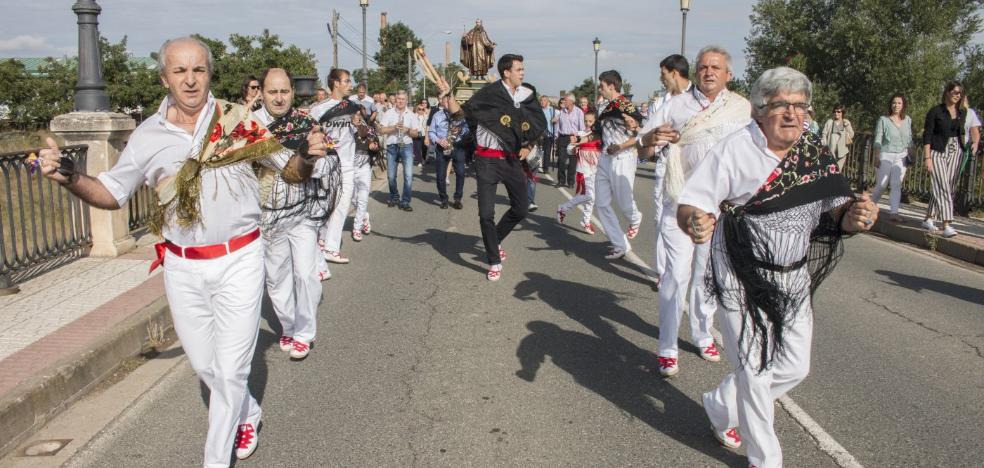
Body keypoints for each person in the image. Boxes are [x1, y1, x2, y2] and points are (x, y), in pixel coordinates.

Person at [37, 37, 328, 467]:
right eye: (180, 71)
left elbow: (289, 171)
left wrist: (306, 156)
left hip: (241, 258)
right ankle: (248, 412)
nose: (190, 80)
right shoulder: (147, 136)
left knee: (230, 371)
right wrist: (69, 178)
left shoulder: (237, 121)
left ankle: (215, 458)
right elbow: (111, 193)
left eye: (199, 70)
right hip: (182, 266)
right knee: (207, 367)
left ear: (210, 74)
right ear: (164, 77)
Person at [681, 66, 877, 468]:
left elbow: (835, 208)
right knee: (753, 370)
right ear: (758, 111)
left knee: (794, 367)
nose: (791, 113)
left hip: (792, 273)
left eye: (799, 105)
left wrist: (853, 217)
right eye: (780, 105)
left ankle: (721, 405)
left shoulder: (811, 149)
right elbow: (692, 202)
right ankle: (765, 458)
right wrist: (695, 222)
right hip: (737, 271)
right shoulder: (735, 149)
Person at [640, 45, 751, 377]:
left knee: (707, 276)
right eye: (703, 66)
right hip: (681, 201)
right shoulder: (675, 105)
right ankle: (667, 347)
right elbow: (644, 147)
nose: (708, 72)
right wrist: (650, 137)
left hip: (721, 207)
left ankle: (703, 335)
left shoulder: (742, 109)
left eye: (716, 67)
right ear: (696, 71)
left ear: (728, 74)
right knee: (675, 276)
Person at [254, 67, 340, 360]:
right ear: (262, 93)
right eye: (272, 92)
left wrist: (314, 163)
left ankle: (304, 333)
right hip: (267, 216)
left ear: (292, 92)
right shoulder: (250, 128)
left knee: (305, 274)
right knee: (277, 280)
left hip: (302, 212)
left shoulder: (307, 122)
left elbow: (329, 158)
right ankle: (289, 327)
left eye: (284, 91)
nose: (279, 98)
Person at [442, 53, 547, 281]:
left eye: (522, 68)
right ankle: (493, 260)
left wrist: (528, 146)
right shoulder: (488, 94)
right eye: (519, 69)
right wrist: (448, 96)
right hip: (487, 160)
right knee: (485, 214)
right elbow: (460, 114)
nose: (522, 72)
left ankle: (494, 239)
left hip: (512, 161)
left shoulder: (527, 95)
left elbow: (538, 125)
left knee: (521, 209)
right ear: (506, 72)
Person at [639, 54, 692, 289]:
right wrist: (646, 144)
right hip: (667, 169)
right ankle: (664, 272)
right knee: (664, 221)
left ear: (674, 72)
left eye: (663, 74)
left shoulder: (698, 99)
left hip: (696, 173)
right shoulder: (662, 103)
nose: (661, 79)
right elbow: (645, 139)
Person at [309, 68, 364, 266]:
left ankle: (331, 248)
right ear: (335, 83)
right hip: (327, 164)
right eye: (347, 81)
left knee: (342, 205)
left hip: (348, 163)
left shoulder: (352, 106)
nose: (350, 84)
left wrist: (358, 124)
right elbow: (310, 133)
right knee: (324, 206)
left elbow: (364, 133)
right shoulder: (319, 108)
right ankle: (319, 241)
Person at [592, 69, 644, 260]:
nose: (600, 89)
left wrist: (621, 146)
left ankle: (635, 218)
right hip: (605, 158)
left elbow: (641, 132)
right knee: (602, 203)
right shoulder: (604, 106)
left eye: (602, 86)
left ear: (611, 86)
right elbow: (599, 132)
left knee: (623, 202)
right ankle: (620, 244)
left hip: (623, 156)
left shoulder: (625, 105)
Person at [921, 81, 968, 238]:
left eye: (960, 93)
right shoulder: (936, 111)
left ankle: (929, 217)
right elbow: (927, 135)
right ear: (947, 92)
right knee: (943, 185)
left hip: (956, 151)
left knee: (949, 186)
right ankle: (947, 223)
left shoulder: (962, 113)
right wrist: (927, 157)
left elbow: (972, 128)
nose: (957, 95)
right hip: (937, 151)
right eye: (955, 92)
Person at [871, 93, 913, 222]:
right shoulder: (883, 120)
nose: (896, 105)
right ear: (890, 104)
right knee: (882, 184)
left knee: (896, 184)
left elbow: (910, 139)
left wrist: (911, 154)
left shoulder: (908, 120)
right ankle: (870, 206)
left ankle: (894, 213)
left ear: (903, 105)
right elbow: (878, 138)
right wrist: (877, 156)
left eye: (899, 103)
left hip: (901, 155)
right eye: (894, 103)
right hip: (886, 154)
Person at [556, 111, 600, 234]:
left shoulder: (597, 134)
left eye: (590, 121)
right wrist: (573, 148)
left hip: (596, 169)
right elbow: (569, 149)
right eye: (585, 120)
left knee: (591, 197)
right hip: (584, 169)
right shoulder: (580, 134)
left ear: (595, 121)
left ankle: (586, 221)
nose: (587, 123)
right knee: (590, 196)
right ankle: (564, 208)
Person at [378, 90, 419, 211]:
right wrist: (394, 128)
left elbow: (416, 134)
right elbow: (381, 131)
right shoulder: (389, 113)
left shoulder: (411, 115)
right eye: (398, 99)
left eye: (403, 99)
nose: (400, 101)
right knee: (391, 176)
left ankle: (405, 201)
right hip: (392, 146)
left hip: (406, 145)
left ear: (406, 100)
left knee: (408, 175)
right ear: (395, 100)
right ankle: (394, 196)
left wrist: (407, 130)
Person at [429, 94, 470, 209]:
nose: (447, 104)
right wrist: (438, 140)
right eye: (444, 101)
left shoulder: (461, 115)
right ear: (441, 102)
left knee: (461, 173)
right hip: (442, 148)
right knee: (440, 176)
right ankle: (443, 199)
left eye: (449, 101)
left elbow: (467, 130)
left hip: (458, 147)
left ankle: (458, 198)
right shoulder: (437, 115)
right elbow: (431, 132)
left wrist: (460, 131)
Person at [351, 105, 379, 241]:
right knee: (351, 198)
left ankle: (357, 228)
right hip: (349, 169)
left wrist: (373, 146)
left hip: (364, 168)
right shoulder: (345, 130)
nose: (356, 117)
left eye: (358, 115)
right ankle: (364, 216)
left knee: (362, 198)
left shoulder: (368, 130)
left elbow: (376, 144)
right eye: (354, 115)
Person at [555, 94, 585, 187]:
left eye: (566, 100)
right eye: (563, 100)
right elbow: (557, 126)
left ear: (572, 101)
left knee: (572, 162)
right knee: (561, 160)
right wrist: (556, 138)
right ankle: (561, 180)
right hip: (563, 138)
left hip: (574, 138)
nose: (564, 102)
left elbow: (582, 128)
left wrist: (578, 138)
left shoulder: (579, 112)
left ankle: (571, 181)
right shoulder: (561, 112)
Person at [821, 104, 854, 168]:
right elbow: (824, 134)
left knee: (837, 171)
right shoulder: (830, 122)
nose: (836, 113)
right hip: (830, 152)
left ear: (842, 113)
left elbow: (851, 135)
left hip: (842, 153)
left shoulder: (846, 122)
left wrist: (847, 126)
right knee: (829, 171)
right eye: (835, 111)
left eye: (838, 112)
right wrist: (824, 146)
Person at [540, 95, 557, 172]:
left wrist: (555, 120)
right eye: (541, 100)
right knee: (539, 151)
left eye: (544, 100)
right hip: (540, 134)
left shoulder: (552, 110)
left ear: (547, 101)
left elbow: (557, 122)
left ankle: (545, 167)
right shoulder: (538, 110)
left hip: (549, 134)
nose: (542, 102)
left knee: (547, 151)